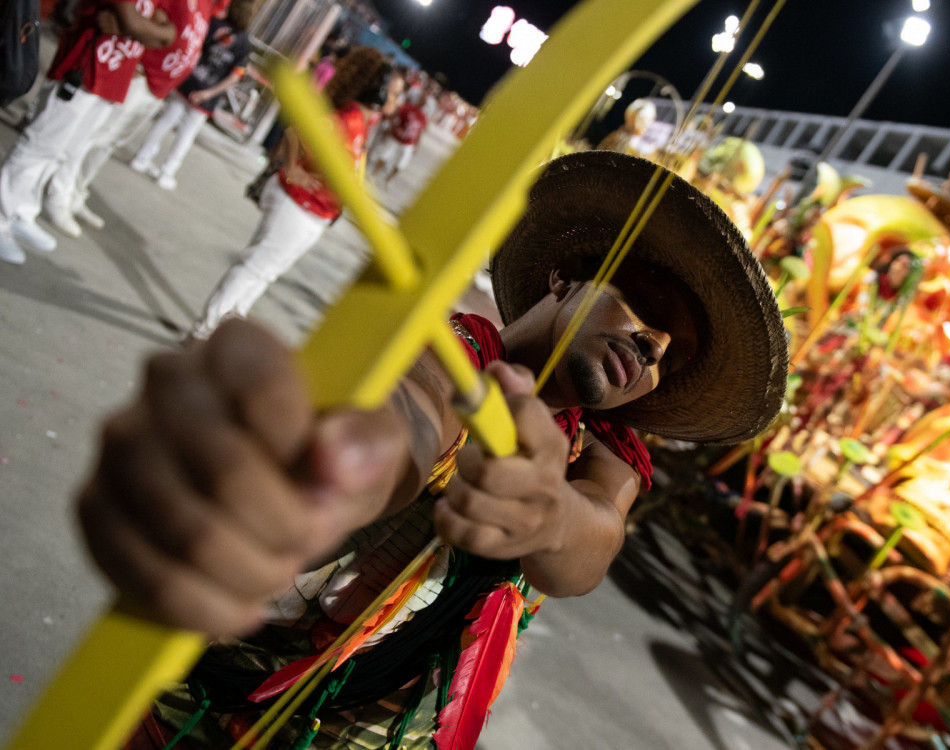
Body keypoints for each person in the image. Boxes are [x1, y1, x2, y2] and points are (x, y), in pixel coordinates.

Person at [81, 150, 788, 748]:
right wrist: (319, 464)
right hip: (222, 702)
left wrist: (549, 516)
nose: (649, 344)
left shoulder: (606, 453)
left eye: (668, 353)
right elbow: (408, 418)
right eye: (645, 306)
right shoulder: (457, 353)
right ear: (564, 275)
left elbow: (591, 541)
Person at [189, 47, 404, 340]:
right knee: (256, 267)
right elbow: (295, 132)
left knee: (265, 272)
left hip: (314, 212)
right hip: (298, 205)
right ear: (377, 93)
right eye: (393, 93)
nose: (397, 101)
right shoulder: (347, 120)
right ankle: (203, 334)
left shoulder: (361, 121)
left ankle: (222, 331)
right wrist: (292, 169)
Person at [0, 0, 175, 265]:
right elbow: (136, 24)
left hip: (113, 78)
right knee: (39, 146)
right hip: (83, 69)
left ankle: (22, 211)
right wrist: (142, 28)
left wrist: (141, 28)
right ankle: (1, 217)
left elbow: (167, 33)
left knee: (62, 152)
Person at [42, 0, 216, 237]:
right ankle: (59, 194)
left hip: (159, 87)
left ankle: (76, 194)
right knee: (90, 136)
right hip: (141, 76)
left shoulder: (206, 4)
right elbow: (148, 19)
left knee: (109, 142)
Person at [128, 0, 255, 190]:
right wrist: (208, 93)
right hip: (208, 94)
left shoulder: (212, 24)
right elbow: (234, 77)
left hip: (188, 82)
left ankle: (142, 157)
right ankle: (167, 172)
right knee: (186, 136)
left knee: (166, 120)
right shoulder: (244, 44)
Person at [370, 86, 426, 185]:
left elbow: (420, 131)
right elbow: (395, 118)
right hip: (396, 137)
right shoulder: (407, 108)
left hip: (408, 142)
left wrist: (417, 144)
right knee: (384, 155)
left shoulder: (423, 117)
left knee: (402, 164)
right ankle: (374, 174)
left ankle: (388, 181)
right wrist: (389, 129)